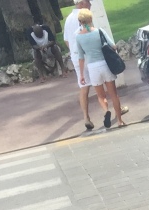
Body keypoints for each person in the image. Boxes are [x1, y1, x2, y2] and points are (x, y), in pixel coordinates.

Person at [71, 8, 126, 131]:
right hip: (105, 64)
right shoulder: (99, 32)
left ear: (80, 21)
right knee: (114, 94)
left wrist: (81, 75)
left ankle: (106, 110)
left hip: (92, 68)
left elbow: (80, 57)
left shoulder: (79, 37)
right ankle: (120, 120)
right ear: (91, 19)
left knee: (101, 96)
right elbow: (113, 46)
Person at [64, 0, 95, 129]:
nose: (90, 5)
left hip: (76, 57)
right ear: (82, 3)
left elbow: (66, 40)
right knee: (103, 81)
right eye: (88, 2)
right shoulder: (84, 17)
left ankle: (86, 117)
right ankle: (113, 109)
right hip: (89, 55)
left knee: (84, 87)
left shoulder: (68, 19)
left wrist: (74, 51)